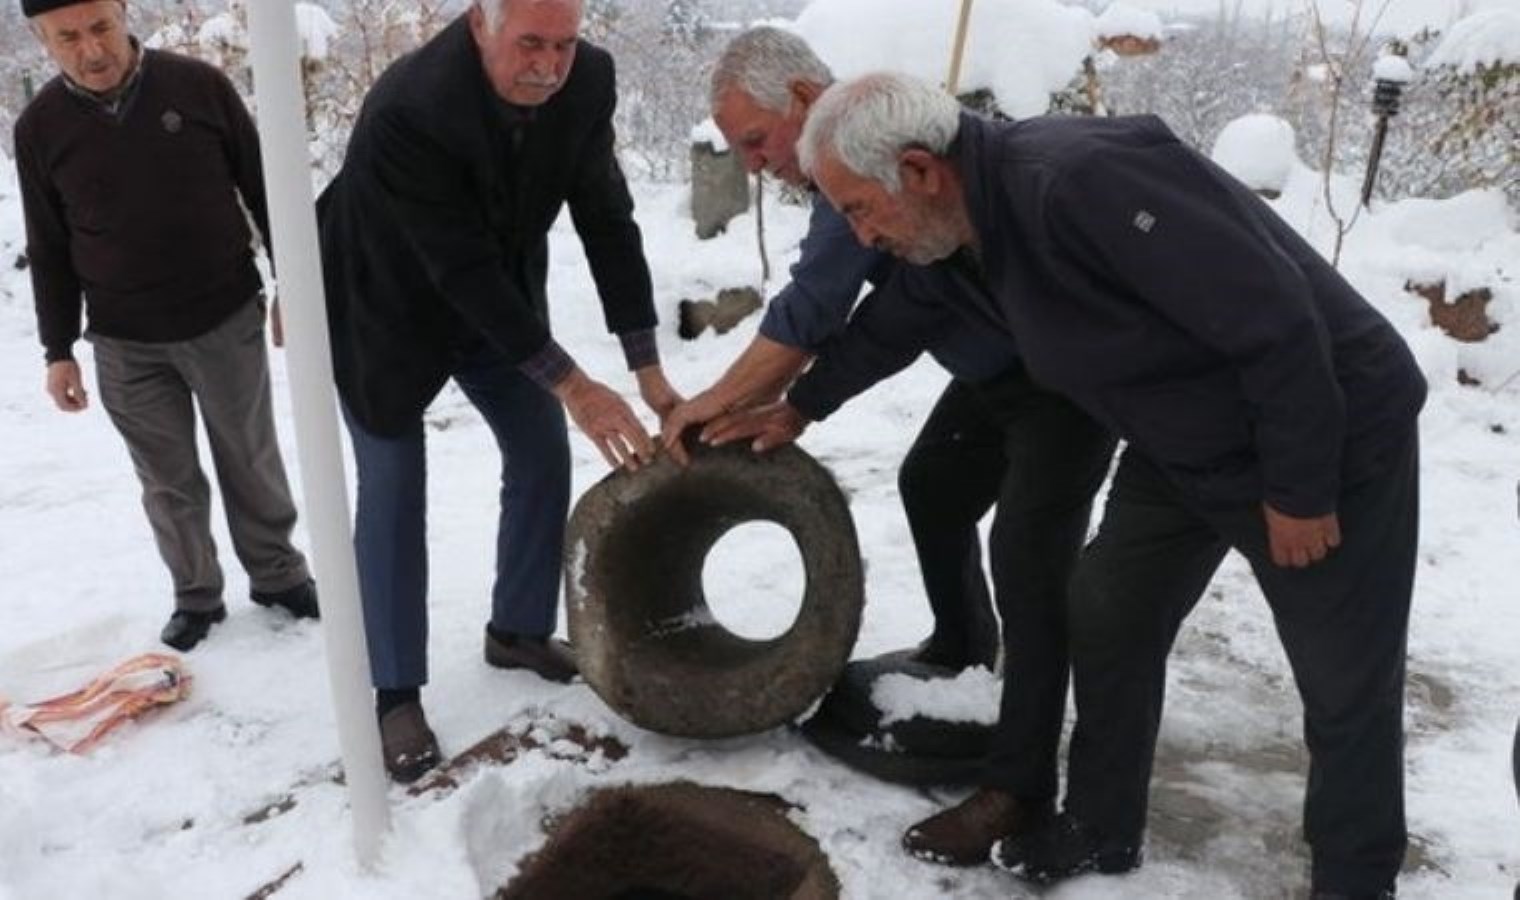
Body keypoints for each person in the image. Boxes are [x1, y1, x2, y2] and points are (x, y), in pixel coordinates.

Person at [794, 72, 1426, 898]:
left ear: (919, 170)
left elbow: (1276, 319)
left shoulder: (1079, 182)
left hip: (1327, 433)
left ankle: (1354, 880)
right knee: (1108, 607)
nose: (860, 233)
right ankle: (1100, 825)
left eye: (858, 208)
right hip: (1183, 443)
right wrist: (798, 405)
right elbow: (901, 316)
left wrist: (1302, 491)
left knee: (1345, 683)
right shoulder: (967, 227)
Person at [662, 27, 1115, 864]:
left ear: (801, 101)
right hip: (995, 370)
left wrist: (713, 402)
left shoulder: (857, 153)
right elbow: (901, 315)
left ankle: (1018, 784)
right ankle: (961, 644)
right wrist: (798, 409)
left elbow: (815, 306)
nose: (755, 166)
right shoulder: (842, 174)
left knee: (1029, 552)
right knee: (932, 485)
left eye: (756, 141)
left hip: (1065, 380)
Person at [317, 0, 679, 783]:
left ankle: (516, 630)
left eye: (565, 43)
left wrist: (647, 367)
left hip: (500, 299)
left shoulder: (589, 83)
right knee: (393, 485)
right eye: (530, 45)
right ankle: (393, 692)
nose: (549, 65)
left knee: (541, 449)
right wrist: (576, 384)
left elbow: (607, 218)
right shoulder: (409, 108)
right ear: (481, 23)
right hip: (383, 301)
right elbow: (455, 268)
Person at [15, 0, 319, 654]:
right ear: (41, 39)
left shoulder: (197, 86)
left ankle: (278, 574)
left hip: (223, 314)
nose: (91, 50)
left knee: (249, 455)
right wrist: (57, 348)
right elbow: (48, 244)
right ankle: (196, 594)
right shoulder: (40, 128)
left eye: (99, 27)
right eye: (67, 37)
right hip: (125, 340)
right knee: (166, 477)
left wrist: (294, 281)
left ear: (122, 12)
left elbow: (267, 188)